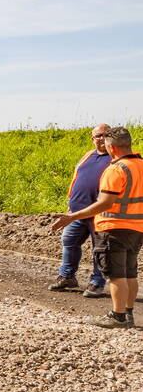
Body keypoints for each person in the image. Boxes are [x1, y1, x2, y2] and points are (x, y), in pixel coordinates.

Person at [51, 126, 143, 328]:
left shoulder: (116, 169)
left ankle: (117, 316)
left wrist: (72, 216)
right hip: (136, 227)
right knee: (130, 273)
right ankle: (127, 314)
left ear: (112, 147)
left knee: (117, 275)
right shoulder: (140, 165)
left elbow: (105, 203)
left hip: (113, 226)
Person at [48, 124, 111, 297]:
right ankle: (67, 276)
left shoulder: (117, 158)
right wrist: (71, 204)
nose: (100, 139)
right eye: (97, 136)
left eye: (105, 135)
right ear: (92, 139)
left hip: (101, 212)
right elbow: (77, 179)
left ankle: (97, 282)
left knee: (100, 248)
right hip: (76, 212)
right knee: (69, 241)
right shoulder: (87, 156)